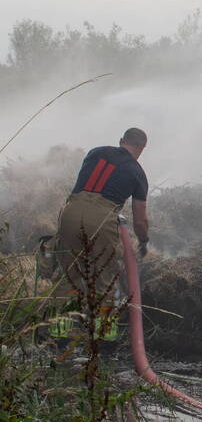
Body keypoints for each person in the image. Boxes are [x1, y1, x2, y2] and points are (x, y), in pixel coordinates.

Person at [50, 128, 150, 341]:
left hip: (70, 212)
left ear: (121, 140)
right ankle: (103, 337)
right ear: (142, 148)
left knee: (68, 275)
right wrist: (144, 241)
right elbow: (140, 221)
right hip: (102, 219)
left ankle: (58, 334)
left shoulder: (95, 152)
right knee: (104, 278)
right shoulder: (137, 172)